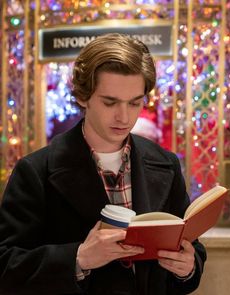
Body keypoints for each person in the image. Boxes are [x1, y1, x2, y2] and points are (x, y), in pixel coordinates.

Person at [0, 33, 206, 295]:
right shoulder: (35, 171)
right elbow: (6, 267)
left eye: (135, 103)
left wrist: (188, 267)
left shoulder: (165, 163)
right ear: (84, 96)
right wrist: (79, 257)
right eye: (110, 102)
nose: (124, 116)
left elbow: (193, 251)